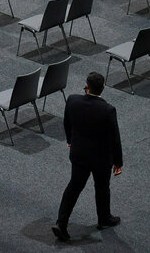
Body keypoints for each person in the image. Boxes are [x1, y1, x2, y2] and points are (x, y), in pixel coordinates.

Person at [52, 72, 123, 242]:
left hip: (79, 154)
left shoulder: (72, 100)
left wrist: (70, 140)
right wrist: (118, 162)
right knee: (102, 188)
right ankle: (104, 218)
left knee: (74, 187)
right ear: (103, 88)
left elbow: (67, 122)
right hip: (101, 158)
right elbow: (115, 138)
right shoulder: (108, 110)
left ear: (87, 85)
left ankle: (61, 223)